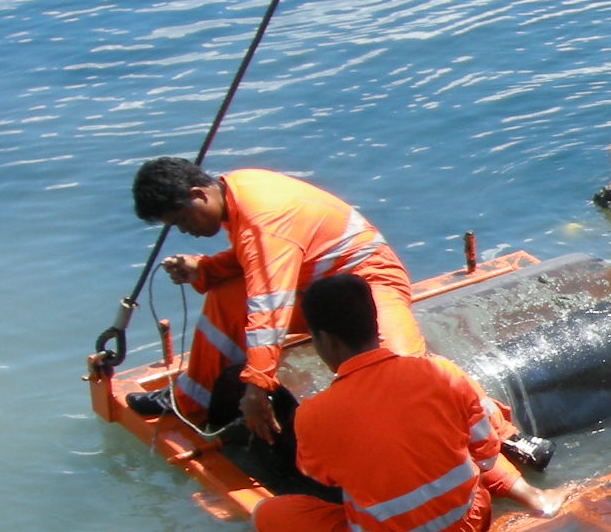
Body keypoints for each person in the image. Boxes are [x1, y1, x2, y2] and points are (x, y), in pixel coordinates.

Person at [249, 274, 558, 532]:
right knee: (465, 450)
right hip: (470, 525)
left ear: (326, 340)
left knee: (268, 516)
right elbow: (487, 450)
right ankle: (534, 497)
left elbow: (323, 478)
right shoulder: (441, 371)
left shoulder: (313, 415)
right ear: (375, 324)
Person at [127, 157, 425, 442]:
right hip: (314, 289)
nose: (185, 231)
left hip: (369, 283)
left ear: (198, 194)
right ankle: (190, 403)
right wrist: (205, 270)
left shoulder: (263, 220)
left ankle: (416, 435)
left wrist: (257, 388)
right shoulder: (235, 189)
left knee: (399, 370)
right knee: (225, 299)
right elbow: (260, 255)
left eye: (182, 219)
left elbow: (268, 309)